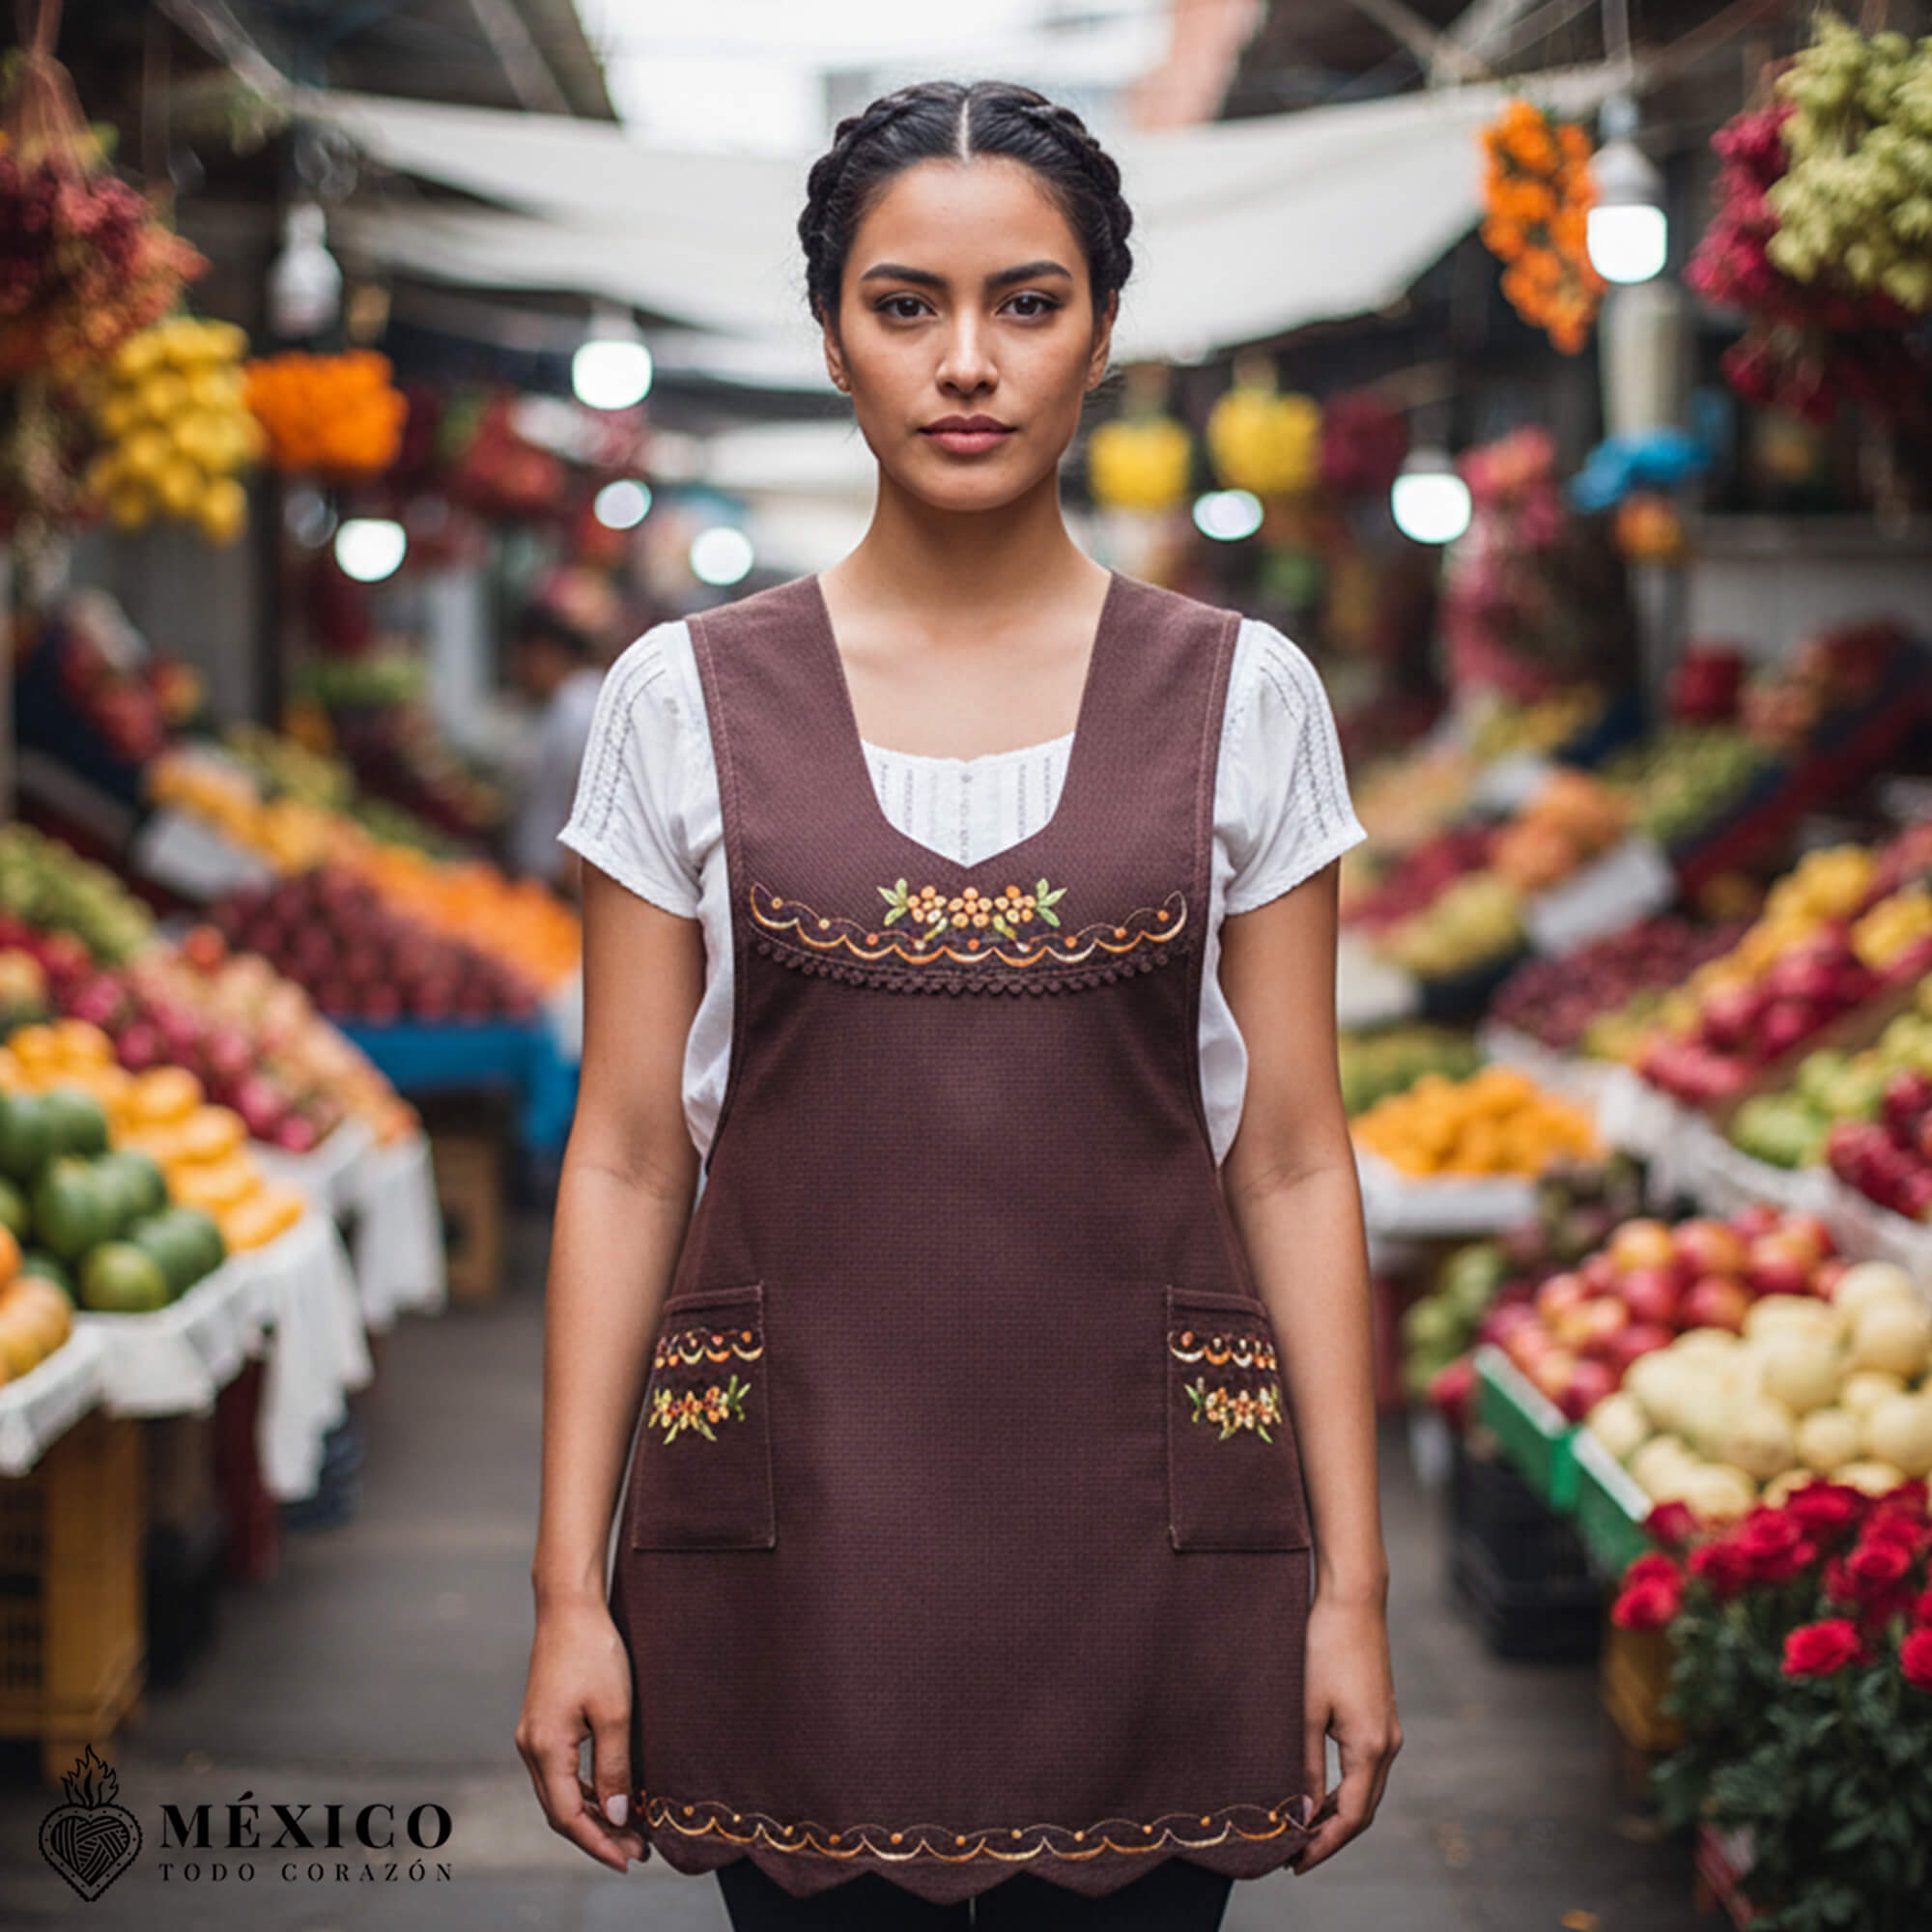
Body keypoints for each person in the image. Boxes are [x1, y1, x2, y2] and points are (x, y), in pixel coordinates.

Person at [517, 77, 1400, 1932]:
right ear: (831, 334)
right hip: (795, 1535)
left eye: (1029, 302)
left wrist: (1353, 1591)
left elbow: (1297, 1162)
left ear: (1104, 331)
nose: (969, 362)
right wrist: (566, 1594)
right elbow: (623, 1160)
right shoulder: (680, 702)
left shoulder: (1248, 699)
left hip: (1150, 1536)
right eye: (907, 305)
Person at [506, 596, 607, 892]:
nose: (517, 669)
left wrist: (572, 869)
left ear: (544, 652)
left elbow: (590, 789)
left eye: (520, 658)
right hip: (546, 878)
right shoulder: (564, 703)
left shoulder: (581, 707)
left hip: (562, 879)